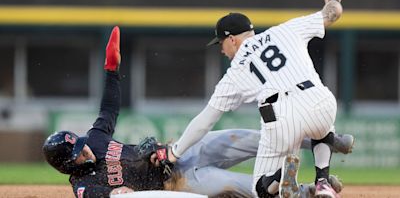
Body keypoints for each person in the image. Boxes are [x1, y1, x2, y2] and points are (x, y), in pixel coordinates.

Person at [42, 26, 351, 198]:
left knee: (255, 138)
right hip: (178, 181)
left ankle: (320, 139)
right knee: (247, 188)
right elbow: (124, 197)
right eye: (80, 155)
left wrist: (112, 69)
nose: (88, 152)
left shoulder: (94, 140)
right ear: (68, 166)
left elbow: (109, 108)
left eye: (83, 146)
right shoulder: (85, 186)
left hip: (181, 152)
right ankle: (309, 192)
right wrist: (135, 174)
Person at [167, 0, 345, 198]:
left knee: (260, 190)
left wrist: (174, 152)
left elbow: (205, 121)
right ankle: (323, 181)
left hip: (282, 117)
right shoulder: (286, 30)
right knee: (322, 130)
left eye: (221, 43)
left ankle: (281, 174)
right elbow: (333, 13)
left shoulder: (235, 72)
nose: (221, 50)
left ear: (232, 39)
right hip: (320, 100)